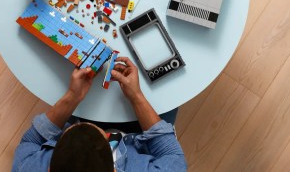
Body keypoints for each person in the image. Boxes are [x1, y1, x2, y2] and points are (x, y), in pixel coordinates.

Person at [12, 57, 187, 172]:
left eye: (73, 129)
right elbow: (172, 156)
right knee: (171, 87)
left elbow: (31, 141)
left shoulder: (27, 168)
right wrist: (137, 96)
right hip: (140, 138)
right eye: (102, 134)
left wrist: (73, 96)